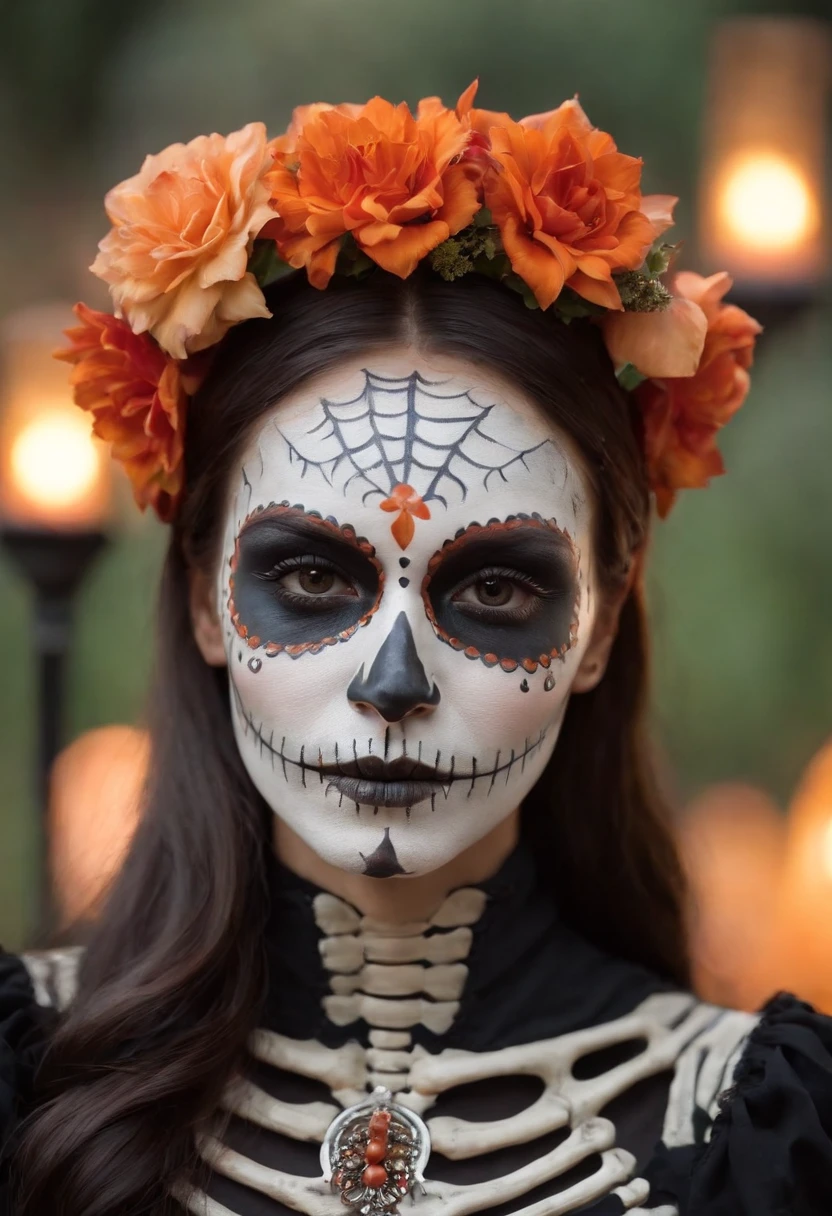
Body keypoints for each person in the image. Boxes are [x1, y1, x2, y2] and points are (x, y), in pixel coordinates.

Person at [1, 86, 830, 1216]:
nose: (394, 682)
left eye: (493, 587)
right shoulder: (27, 1076)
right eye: (309, 579)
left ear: (598, 616)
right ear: (203, 596)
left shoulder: (759, 1125)